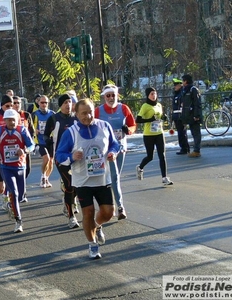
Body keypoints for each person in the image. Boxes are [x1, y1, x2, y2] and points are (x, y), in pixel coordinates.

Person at [55, 98, 121, 259]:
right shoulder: (71, 132)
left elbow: (115, 143)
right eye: (83, 113)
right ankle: (92, 244)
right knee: (88, 212)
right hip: (82, 180)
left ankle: (97, 227)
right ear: (76, 114)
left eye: (90, 112)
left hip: (102, 178)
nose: (88, 116)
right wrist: (71, 156)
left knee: (108, 213)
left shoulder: (104, 126)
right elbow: (59, 155)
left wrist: (113, 153)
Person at [95, 84, 136, 220]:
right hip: (106, 150)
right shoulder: (98, 111)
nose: (111, 98)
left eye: (113, 95)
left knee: (115, 176)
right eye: (108, 95)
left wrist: (128, 130)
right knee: (114, 176)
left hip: (121, 146)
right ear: (104, 97)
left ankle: (113, 204)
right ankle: (120, 207)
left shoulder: (124, 108)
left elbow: (132, 124)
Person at [0, 109, 35, 233]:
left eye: (14, 120)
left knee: (21, 195)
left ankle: (10, 205)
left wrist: (25, 151)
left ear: (17, 120)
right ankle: (18, 221)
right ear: (5, 120)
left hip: (20, 167)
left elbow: (32, 145)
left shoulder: (22, 130)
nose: (12, 122)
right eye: (9, 120)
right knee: (14, 192)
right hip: (6, 167)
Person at [44, 93, 79, 228]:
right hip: (61, 158)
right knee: (69, 184)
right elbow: (46, 134)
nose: (68, 105)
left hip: (76, 157)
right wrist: (48, 143)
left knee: (76, 185)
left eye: (70, 102)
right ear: (60, 105)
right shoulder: (54, 118)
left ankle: (68, 203)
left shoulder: (76, 118)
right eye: (65, 102)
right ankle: (71, 217)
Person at [136, 87, 174, 185]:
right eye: (151, 94)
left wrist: (163, 117)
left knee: (162, 155)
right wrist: (149, 119)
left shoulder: (159, 105)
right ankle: (140, 167)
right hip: (149, 134)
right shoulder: (145, 106)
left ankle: (164, 177)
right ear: (148, 96)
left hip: (159, 133)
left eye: (155, 93)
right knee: (150, 156)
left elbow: (160, 116)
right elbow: (138, 120)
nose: (154, 96)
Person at [12, 95, 34, 202]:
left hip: (25, 148)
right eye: (14, 103)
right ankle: (20, 192)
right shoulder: (9, 116)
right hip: (12, 148)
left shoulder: (26, 114)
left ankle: (21, 187)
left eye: (18, 103)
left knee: (27, 170)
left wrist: (29, 142)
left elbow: (31, 130)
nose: (16, 105)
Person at [32, 95, 55, 188]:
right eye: (42, 102)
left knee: (51, 162)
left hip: (50, 140)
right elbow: (28, 126)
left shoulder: (52, 114)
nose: (44, 104)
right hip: (40, 141)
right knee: (46, 158)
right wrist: (34, 130)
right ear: (38, 103)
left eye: (46, 102)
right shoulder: (35, 114)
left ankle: (46, 178)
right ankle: (42, 176)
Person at [180, 74, 203, 158]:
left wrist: (196, 115)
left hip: (194, 115)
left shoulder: (193, 90)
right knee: (193, 133)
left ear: (185, 81)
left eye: (183, 81)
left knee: (196, 133)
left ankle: (197, 150)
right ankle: (196, 150)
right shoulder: (186, 90)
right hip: (189, 116)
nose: (182, 82)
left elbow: (197, 103)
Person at [171, 78, 190, 154]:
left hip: (181, 116)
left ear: (180, 85)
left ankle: (184, 148)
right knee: (180, 132)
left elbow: (183, 105)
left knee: (182, 133)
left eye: (176, 85)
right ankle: (184, 147)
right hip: (177, 116)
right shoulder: (176, 94)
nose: (175, 87)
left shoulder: (182, 94)